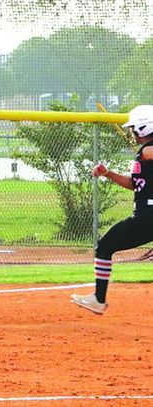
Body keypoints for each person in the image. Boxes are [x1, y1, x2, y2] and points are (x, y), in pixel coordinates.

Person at [72, 104, 153, 314]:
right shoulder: (144, 153)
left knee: (105, 246)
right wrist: (108, 173)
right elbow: (135, 184)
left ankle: (98, 300)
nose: (132, 133)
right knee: (105, 246)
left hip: (148, 216)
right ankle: (98, 299)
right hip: (145, 215)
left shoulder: (148, 150)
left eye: (135, 128)